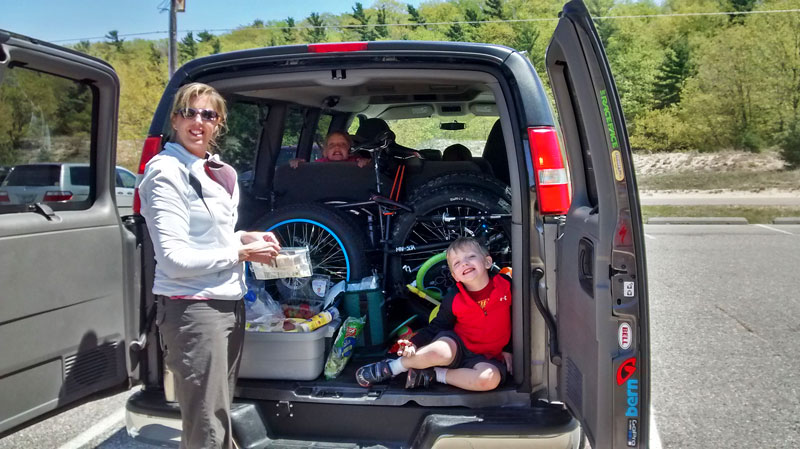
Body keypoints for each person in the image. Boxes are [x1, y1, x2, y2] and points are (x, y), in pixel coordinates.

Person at [138, 82, 281, 449]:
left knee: (215, 416)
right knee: (206, 429)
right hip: (193, 309)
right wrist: (241, 254)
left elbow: (210, 239)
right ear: (175, 119)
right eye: (189, 112)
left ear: (219, 123)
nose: (198, 121)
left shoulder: (217, 171)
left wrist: (244, 237)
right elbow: (174, 257)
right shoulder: (166, 172)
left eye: (208, 114)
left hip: (227, 303)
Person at [355, 237, 512, 391]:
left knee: (489, 380)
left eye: (471, 256)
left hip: (487, 357)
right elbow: (437, 327)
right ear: (455, 276)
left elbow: (520, 319)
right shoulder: (454, 298)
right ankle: (392, 367)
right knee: (440, 351)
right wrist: (414, 343)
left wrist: (510, 349)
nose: (464, 263)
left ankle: (432, 374)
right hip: (458, 345)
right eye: (457, 263)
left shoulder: (506, 285)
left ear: (487, 262)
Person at [289, 130, 370, 168]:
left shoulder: (356, 162)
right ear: (326, 151)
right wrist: (299, 165)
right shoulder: (319, 164)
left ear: (349, 149)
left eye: (342, 144)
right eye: (331, 145)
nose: (337, 147)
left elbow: (368, 166)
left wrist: (366, 163)